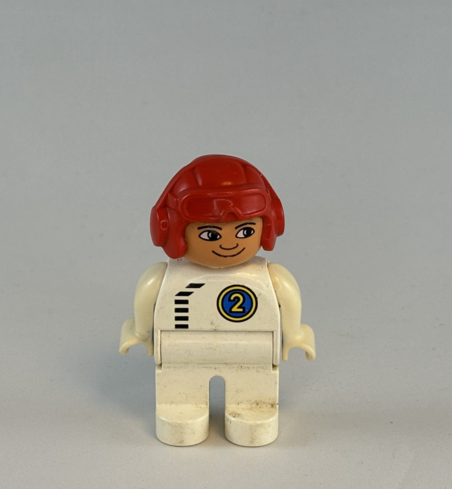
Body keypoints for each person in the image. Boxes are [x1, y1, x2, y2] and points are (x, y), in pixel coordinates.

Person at [120, 154, 315, 446]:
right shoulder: (166, 278)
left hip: (255, 354)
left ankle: (251, 407)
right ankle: (184, 406)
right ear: (171, 229)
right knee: (182, 404)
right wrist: (141, 332)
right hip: (181, 352)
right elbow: (147, 294)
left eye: (245, 231)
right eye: (210, 234)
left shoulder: (268, 277)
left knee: (252, 400)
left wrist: (294, 334)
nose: (229, 243)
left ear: (268, 226)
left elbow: (287, 295)